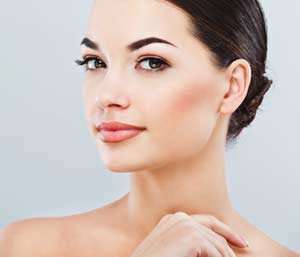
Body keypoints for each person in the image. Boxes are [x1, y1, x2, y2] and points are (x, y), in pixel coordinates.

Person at [0, 0, 299, 256]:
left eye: (152, 62)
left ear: (232, 87)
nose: (106, 96)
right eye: (94, 62)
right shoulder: (25, 248)